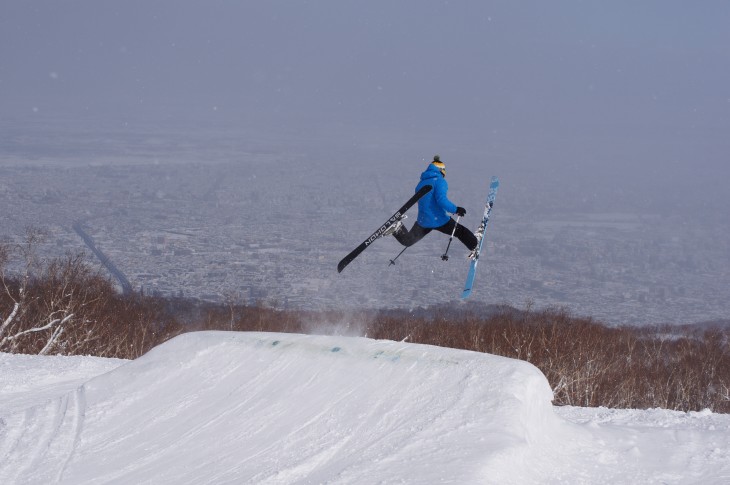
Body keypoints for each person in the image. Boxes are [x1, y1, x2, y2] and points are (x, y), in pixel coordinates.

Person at [384, 155, 478, 258]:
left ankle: (397, 229)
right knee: (460, 232)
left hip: (424, 220)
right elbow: (441, 200)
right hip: (439, 219)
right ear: (441, 170)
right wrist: (456, 209)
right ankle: (475, 246)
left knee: (408, 240)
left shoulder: (420, 184)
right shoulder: (440, 181)